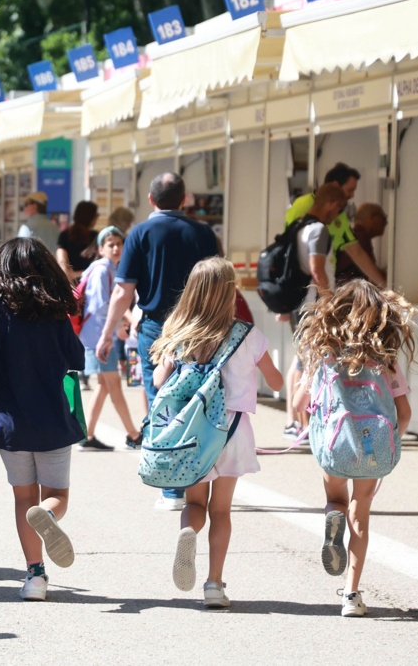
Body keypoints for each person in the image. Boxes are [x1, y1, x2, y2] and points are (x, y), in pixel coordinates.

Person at [150, 258, 283, 609]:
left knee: (195, 503)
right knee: (221, 510)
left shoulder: (178, 333)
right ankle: (213, 584)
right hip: (233, 434)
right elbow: (277, 381)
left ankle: (188, 533)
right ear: (230, 293)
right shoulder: (247, 335)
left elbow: (158, 381)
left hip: (194, 435)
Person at [92, 173, 220, 511]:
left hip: (156, 330)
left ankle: (171, 490)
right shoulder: (204, 233)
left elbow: (123, 291)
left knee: (161, 399)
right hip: (199, 328)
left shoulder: (139, 234)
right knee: (201, 400)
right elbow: (220, 285)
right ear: (185, 198)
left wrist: (106, 334)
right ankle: (200, 477)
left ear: (151, 200)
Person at [0, 238, 85, 602]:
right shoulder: (54, 314)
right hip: (52, 418)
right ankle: (48, 517)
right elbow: (75, 360)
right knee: (56, 496)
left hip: (10, 421)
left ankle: (35, 577)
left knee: (23, 497)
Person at [292, 280, 418, 617]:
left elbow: (298, 403)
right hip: (373, 449)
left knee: (336, 499)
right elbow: (404, 414)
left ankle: (333, 514)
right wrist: (391, 440)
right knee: (360, 515)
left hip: (335, 446)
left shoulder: (324, 355)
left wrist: (314, 433)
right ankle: (351, 595)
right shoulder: (385, 361)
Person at [281, 182, 348, 440]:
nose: (338, 215)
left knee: (302, 359)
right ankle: (305, 424)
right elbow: (317, 269)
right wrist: (329, 302)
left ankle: (300, 423)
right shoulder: (319, 230)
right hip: (313, 303)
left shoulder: (299, 226)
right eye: (339, 209)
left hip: (299, 302)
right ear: (332, 204)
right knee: (306, 361)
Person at [76, 226, 139, 452]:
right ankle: (133, 434)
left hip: (96, 336)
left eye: (119, 244)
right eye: (110, 244)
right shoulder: (104, 270)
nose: (115, 248)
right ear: (101, 249)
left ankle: (87, 435)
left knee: (104, 386)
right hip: (100, 338)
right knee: (113, 385)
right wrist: (119, 326)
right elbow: (102, 305)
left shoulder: (101, 268)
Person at [285, 163, 386, 287]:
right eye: (350, 190)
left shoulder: (340, 215)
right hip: (304, 286)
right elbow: (291, 248)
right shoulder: (302, 206)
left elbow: (356, 252)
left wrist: (384, 287)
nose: (352, 196)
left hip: (325, 284)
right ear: (335, 186)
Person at [335, 203, 388, 286]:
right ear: (372, 218)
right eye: (383, 218)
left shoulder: (356, 236)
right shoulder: (360, 237)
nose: (386, 222)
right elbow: (371, 275)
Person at [57, 201, 99, 282]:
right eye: (96, 215)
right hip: (90, 282)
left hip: (71, 284)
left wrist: (71, 276)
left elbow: (62, 262)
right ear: (90, 217)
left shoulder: (65, 235)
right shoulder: (95, 237)